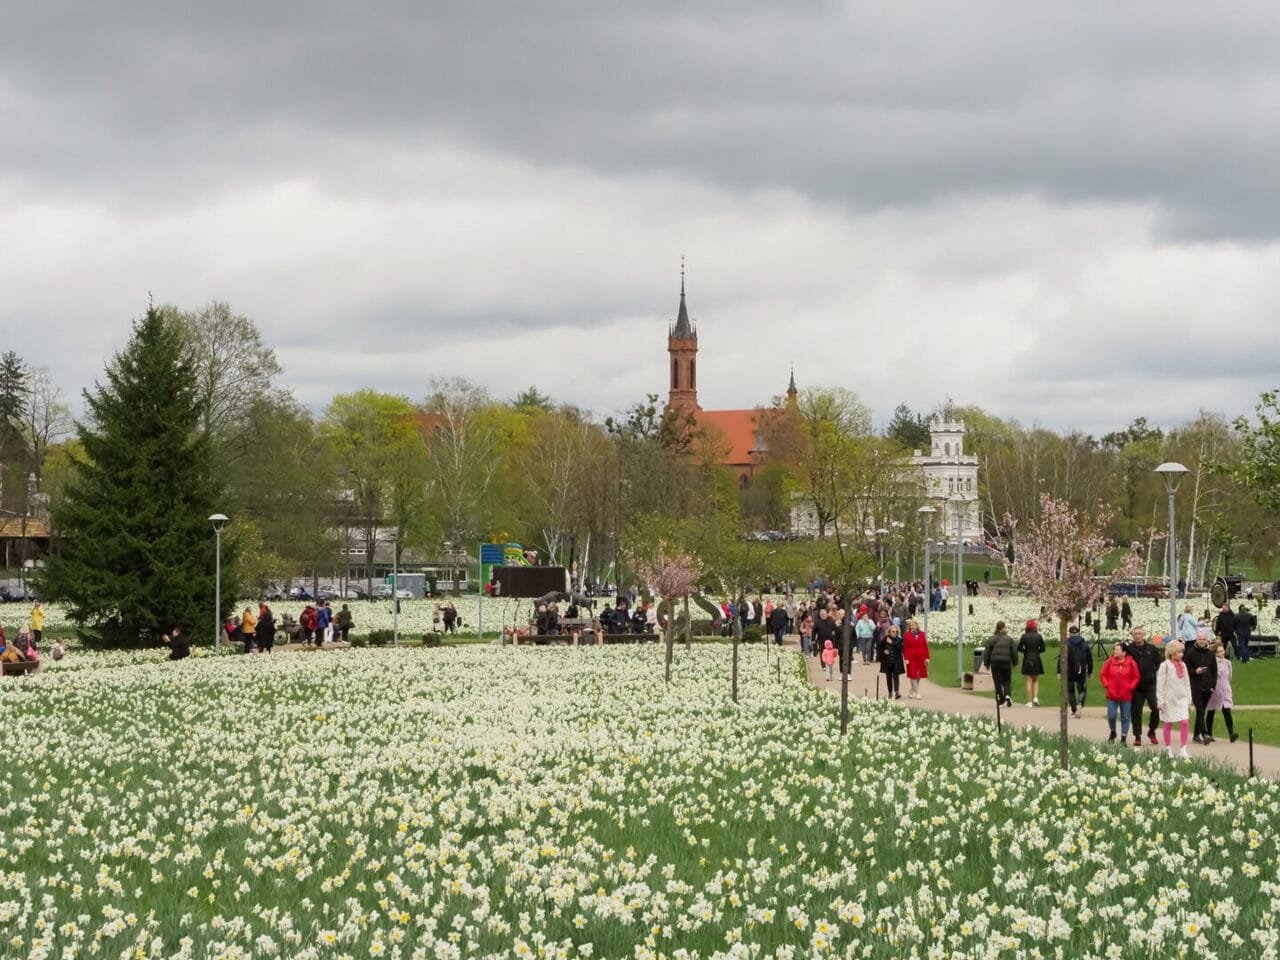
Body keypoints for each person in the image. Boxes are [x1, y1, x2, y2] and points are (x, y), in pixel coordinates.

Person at [1124, 627, 1162, 745]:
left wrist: (1155, 677)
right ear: (1132, 635)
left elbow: (1159, 664)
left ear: (1143, 635)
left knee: (1155, 708)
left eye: (1139, 633)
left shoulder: (1152, 649)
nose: (1137, 636)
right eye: (1135, 634)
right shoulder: (1129, 650)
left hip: (1150, 684)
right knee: (1136, 711)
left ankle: (1152, 731)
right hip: (1136, 687)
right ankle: (1137, 736)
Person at [1156, 640, 1192, 760]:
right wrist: (1160, 701)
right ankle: (1168, 749)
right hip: (1169, 700)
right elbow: (1160, 685)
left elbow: (1187, 683)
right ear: (1172, 653)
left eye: (1182, 652)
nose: (1182, 654)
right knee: (1168, 723)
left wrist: (1189, 699)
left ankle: (1183, 749)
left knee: (1185, 722)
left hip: (1181, 698)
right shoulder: (1164, 666)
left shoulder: (1183, 665)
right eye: (1179, 652)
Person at [1099, 643, 1141, 745]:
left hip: (1126, 695)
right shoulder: (1109, 661)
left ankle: (1123, 737)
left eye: (1117, 650)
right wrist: (1107, 685)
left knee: (1125, 717)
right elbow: (1103, 674)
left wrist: (1131, 687)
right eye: (1114, 650)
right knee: (1111, 715)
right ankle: (1113, 731)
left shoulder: (1131, 663)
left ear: (1124, 652)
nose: (1115, 652)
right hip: (1112, 694)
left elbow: (1136, 676)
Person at [1185, 628, 1218, 744]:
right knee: (1200, 710)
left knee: (1201, 711)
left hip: (1208, 687)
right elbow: (1186, 670)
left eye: (1204, 639)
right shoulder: (1190, 653)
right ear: (1196, 639)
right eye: (1200, 639)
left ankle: (1195, 735)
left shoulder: (1210, 654)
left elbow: (1214, 671)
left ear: (1207, 640)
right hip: (1195, 686)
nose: (1202, 641)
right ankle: (1204, 734)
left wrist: (1212, 686)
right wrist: (1195, 671)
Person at [1205, 642, 1238, 743]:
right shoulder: (1211, 662)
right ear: (1215, 653)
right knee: (1211, 711)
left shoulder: (1228, 663)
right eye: (1219, 652)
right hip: (1214, 689)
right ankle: (1209, 734)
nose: (1222, 653)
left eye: (1222, 651)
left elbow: (1230, 676)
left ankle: (1231, 733)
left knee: (1227, 710)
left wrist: (1226, 685)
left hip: (1225, 688)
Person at [983, 621, 1017, 708]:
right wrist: (1014, 663)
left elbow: (987, 652)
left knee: (997, 682)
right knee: (1007, 680)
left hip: (995, 662)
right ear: (1004, 628)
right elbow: (1014, 652)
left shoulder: (991, 639)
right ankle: (1007, 695)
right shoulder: (1009, 639)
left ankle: (1000, 700)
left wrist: (986, 663)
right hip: (1006, 662)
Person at [1064, 625, 1093, 718]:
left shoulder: (1066, 643)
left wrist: (1059, 671)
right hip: (1081, 669)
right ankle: (1080, 703)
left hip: (1069, 670)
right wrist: (1090, 671)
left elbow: (1062, 658)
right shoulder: (1085, 644)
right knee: (1082, 690)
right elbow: (1090, 659)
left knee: (1070, 690)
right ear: (1078, 633)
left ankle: (1074, 709)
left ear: (1070, 633)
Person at [1016, 619, 1046, 707]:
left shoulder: (1024, 636)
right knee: (1035, 680)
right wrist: (1037, 651)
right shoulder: (1039, 636)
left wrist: (1025, 651)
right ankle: (1035, 698)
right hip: (1036, 658)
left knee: (1028, 680)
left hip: (1027, 658)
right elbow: (1043, 648)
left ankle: (1029, 701)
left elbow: (1019, 648)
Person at [902, 618, 929, 699]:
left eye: (913, 625)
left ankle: (912, 690)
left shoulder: (922, 634)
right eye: (911, 626)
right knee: (913, 674)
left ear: (917, 626)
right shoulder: (907, 635)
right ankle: (917, 692)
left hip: (921, 656)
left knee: (919, 674)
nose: (912, 627)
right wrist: (906, 658)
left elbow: (925, 646)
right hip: (911, 657)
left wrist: (927, 657)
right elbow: (905, 648)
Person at [878, 623, 905, 699]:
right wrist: (884, 651)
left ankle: (897, 692)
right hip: (887, 661)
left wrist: (892, 643)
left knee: (896, 676)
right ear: (889, 632)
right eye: (893, 631)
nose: (895, 633)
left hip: (896, 661)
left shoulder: (899, 640)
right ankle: (890, 692)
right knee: (888, 677)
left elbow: (899, 647)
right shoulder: (885, 639)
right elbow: (880, 648)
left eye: (896, 632)